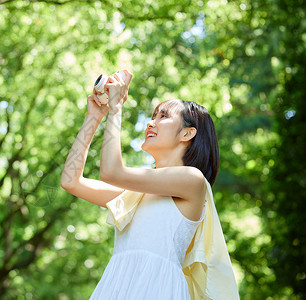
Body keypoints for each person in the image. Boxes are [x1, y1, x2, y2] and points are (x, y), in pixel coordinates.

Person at [60, 70, 238, 299]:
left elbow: (111, 172)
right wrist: (94, 116)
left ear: (187, 133)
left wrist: (116, 109)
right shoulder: (134, 194)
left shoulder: (192, 180)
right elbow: (70, 181)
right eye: (153, 116)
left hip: (158, 289)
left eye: (163, 116)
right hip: (117, 287)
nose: (150, 123)